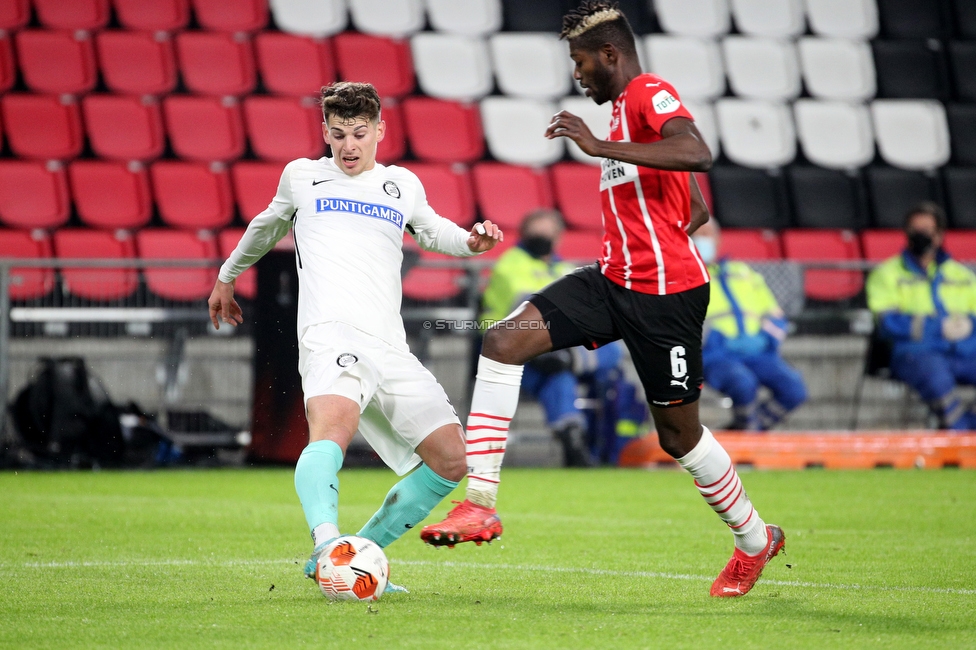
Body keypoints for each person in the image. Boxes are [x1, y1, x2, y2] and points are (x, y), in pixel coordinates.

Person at [422, 1, 784, 598]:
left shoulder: (647, 93)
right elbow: (695, 207)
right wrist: (652, 224)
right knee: (503, 339)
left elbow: (696, 152)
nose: (577, 73)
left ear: (610, 55)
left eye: (581, 60)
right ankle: (479, 503)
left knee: (678, 436)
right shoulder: (618, 113)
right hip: (612, 279)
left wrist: (599, 149)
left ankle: (753, 540)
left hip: (668, 296)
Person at [208, 82, 502, 591]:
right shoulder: (302, 177)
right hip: (330, 332)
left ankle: (355, 557)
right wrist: (227, 276)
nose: (348, 144)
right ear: (325, 131)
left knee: (453, 460)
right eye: (338, 133)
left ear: (379, 131)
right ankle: (327, 544)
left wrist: (473, 241)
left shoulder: (402, 184)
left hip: (389, 345)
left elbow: (435, 232)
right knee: (333, 429)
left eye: (359, 133)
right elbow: (265, 226)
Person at [480, 208, 639, 467]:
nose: (542, 236)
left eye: (547, 231)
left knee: (611, 355)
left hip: (566, 347)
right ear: (524, 234)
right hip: (521, 354)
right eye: (536, 231)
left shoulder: (566, 269)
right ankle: (576, 439)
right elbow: (524, 317)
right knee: (558, 374)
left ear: (559, 237)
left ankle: (607, 444)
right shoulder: (509, 266)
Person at [866, 202, 976, 429]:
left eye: (927, 231)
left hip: (963, 351)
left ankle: (963, 433)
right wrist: (937, 328)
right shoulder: (887, 274)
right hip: (914, 352)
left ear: (939, 235)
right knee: (936, 377)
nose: (921, 236)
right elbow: (888, 323)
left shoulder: (961, 274)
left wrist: (969, 325)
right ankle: (963, 435)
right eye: (915, 231)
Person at [692, 219, 807, 430]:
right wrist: (714, 341)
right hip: (713, 355)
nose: (701, 239)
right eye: (696, 234)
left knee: (794, 389)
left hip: (758, 352)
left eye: (706, 234)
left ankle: (749, 431)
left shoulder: (743, 273)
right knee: (743, 383)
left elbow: (775, 316)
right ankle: (747, 431)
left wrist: (765, 340)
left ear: (718, 240)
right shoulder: (682, 276)